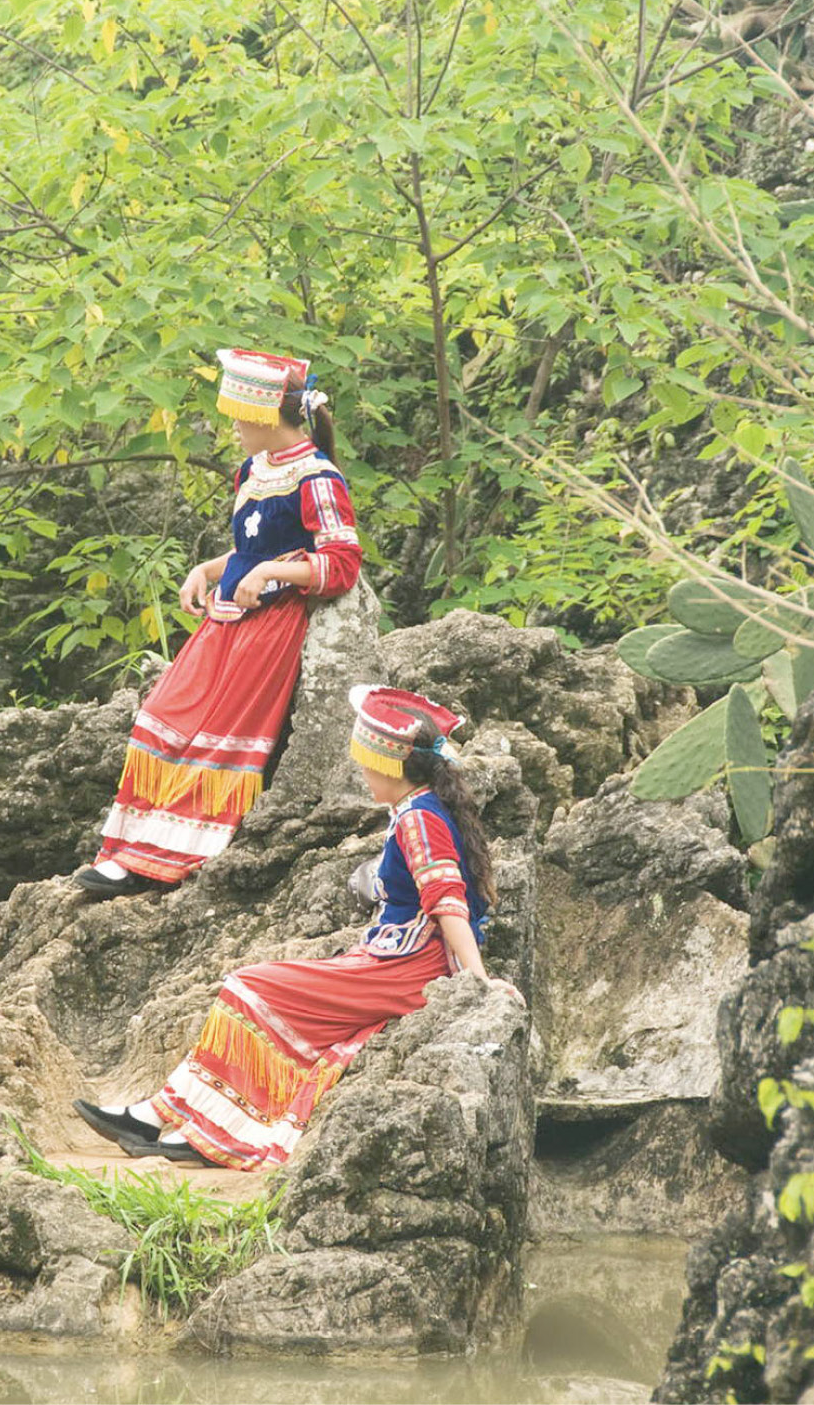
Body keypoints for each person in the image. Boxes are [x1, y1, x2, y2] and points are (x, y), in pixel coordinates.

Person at [73, 686, 523, 1171]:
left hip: (411, 969)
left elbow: (447, 902)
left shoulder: (419, 818)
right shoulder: (422, 808)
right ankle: (177, 1120)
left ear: (392, 766)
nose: (363, 772)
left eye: (368, 763)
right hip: (399, 958)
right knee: (257, 993)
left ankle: (161, 1117)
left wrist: (475, 979)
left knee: (248, 989)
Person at [74, 347, 361, 898]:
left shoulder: (319, 479)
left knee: (216, 738)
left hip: (271, 627)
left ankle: (170, 859)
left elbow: (343, 561)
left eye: (236, 418)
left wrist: (277, 572)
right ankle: (126, 851)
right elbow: (249, 549)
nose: (230, 428)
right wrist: (204, 570)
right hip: (225, 620)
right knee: (162, 716)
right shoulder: (253, 470)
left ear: (260, 417)